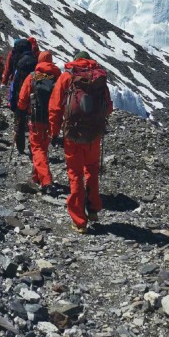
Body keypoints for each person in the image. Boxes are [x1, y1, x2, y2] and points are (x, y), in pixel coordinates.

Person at [49, 50, 113, 233]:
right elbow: (108, 107)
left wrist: (54, 132)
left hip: (73, 134)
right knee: (91, 169)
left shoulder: (67, 77)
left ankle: (79, 221)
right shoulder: (98, 77)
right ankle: (93, 209)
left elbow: (54, 108)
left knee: (75, 173)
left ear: (76, 61)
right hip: (94, 135)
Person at [17, 51, 60, 194]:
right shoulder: (57, 77)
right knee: (43, 147)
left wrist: (21, 110)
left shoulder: (33, 77)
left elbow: (22, 99)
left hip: (35, 119)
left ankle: (46, 181)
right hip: (52, 119)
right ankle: (37, 176)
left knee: (37, 149)